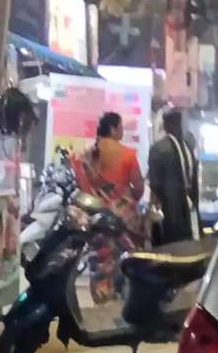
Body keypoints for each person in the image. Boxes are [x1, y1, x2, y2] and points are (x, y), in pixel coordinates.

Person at [74, 111, 145, 303]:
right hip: (122, 222)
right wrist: (126, 201)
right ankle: (120, 302)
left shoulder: (83, 156)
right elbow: (138, 188)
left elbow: (80, 188)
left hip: (95, 219)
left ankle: (101, 301)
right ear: (113, 129)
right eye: (121, 128)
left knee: (99, 261)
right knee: (124, 262)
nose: (122, 132)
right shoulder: (128, 155)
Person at [148, 109, 200, 244]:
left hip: (168, 212)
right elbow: (194, 181)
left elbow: (155, 183)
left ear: (165, 125)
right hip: (187, 212)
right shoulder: (188, 148)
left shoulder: (159, 148)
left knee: (167, 251)